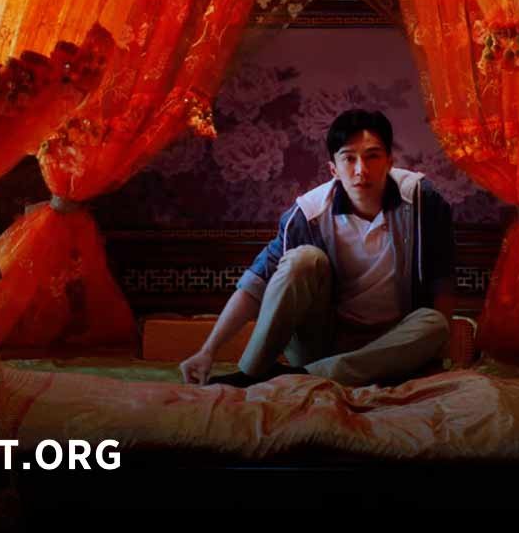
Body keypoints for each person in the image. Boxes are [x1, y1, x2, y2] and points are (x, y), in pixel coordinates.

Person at [179, 109, 456, 388]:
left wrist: (436, 356)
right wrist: (207, 351)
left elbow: (442, 279)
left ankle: (300, 377)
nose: (361, 170)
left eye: (372, 156)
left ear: (389, 161)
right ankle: (250, 374)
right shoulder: (309, 213)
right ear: (333, 169)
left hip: (393, 342)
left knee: (436, 323)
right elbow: (256, 284)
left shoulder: (421, 200)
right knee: (302, 259)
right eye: (349, 158)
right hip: (322, 341)